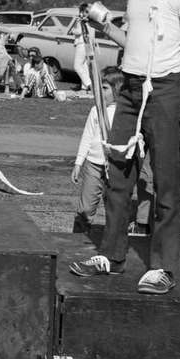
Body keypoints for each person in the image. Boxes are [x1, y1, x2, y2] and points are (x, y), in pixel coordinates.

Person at [72, 0, 180, 295]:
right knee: (117, 171)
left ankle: (163, 266)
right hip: (130, 88)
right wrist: (104, 27)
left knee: (165, 181)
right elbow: (134, 43)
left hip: (165, 91)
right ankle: (111, 256)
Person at [69, 66, 122, 236]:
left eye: (105, 88)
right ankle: (77, 239)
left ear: (117, 89)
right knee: (85, 209)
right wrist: (79, 162)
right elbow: (87, 136)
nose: (100, 92)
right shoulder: (95, 111)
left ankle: (111, 242)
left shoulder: (125, 114)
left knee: (114, 207)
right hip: (93, 165)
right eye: (99, 88)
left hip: (115, 166)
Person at [72, 3, 93, 94]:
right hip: (88, 44)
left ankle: (89, 84)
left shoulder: (81, 20)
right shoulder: (90, 20)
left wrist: (74, 27)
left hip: (82, 44)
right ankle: (85, 87)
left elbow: (78, 31)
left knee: (77, 66)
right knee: (84, 65)